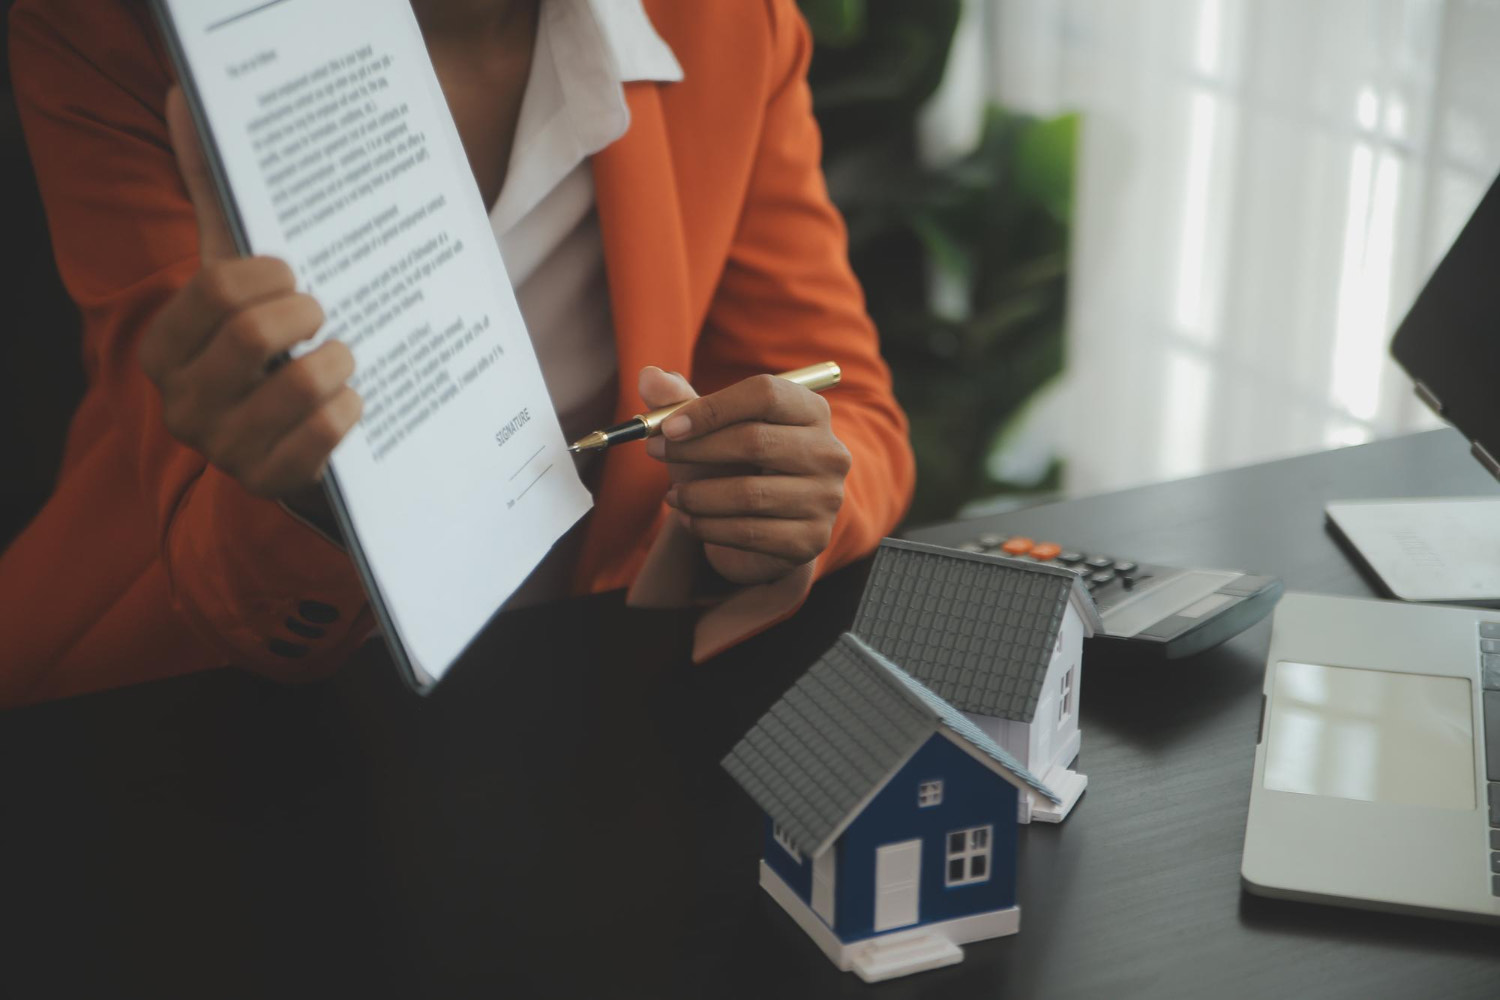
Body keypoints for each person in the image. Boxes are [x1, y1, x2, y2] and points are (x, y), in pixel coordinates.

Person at [0, 0, 914, 706]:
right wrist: (313, 491)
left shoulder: (725, 21)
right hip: (171, 704)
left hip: (580, 687)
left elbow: (855, 413)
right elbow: (212, 561)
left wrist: (789, 503)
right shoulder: (115, 30)